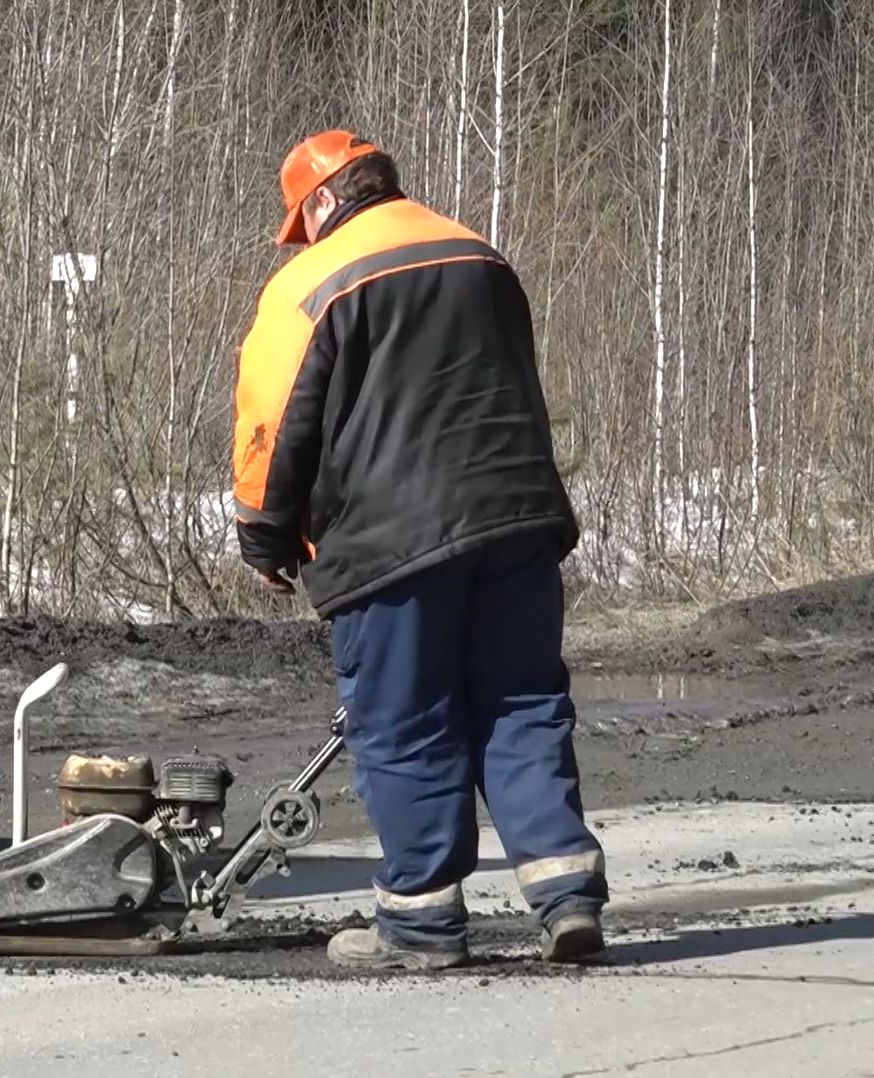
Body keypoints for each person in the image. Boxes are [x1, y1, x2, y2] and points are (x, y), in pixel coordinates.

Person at [230, 130, 607, 970]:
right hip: (516, 523)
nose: (304, 237)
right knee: (523, 706)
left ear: (323, 201)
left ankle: (422, 925)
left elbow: (273, 419)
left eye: (303, 221)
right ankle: (566, 896)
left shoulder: (312, 282)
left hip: (391, 541)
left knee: (405, 724)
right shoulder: (482, 254)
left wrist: (265, 534)